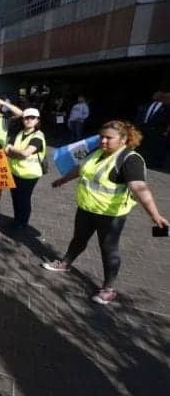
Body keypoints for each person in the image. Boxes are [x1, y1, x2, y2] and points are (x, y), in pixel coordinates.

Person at [43, 121, 169, 305]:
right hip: (87, 208)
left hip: (111, 215)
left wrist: (155, 215)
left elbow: (140, 188)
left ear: (124, 139)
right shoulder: (96, 151)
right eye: (101, 136)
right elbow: (81, 167)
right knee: (78, 238)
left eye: (109, 138)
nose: (103, 140)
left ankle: (108, 289)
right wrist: (63, 179)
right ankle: (65, 263)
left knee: (108, 249)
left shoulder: (129, 160)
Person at [5, 108, 46, 230]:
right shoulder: (19, 133)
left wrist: (14, 151)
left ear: (37, 120)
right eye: (26, 118)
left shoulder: (38, 135)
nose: (29, 120)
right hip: (15, 171)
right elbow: (6, 150)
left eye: (32, 118)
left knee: (23, 199)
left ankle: (23, 222)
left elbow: (25, 153)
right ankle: (17, 219)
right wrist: (17, 152)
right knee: (16, 198)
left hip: (29, 174)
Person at [135, 91, 169, 169]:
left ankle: (149, 166)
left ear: (161, 95)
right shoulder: (147, 105)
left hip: (155, 133)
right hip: (141, 130)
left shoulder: (167, 107)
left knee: (151, 151)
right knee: (139, 148)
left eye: (157, 93)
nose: (154, 95)